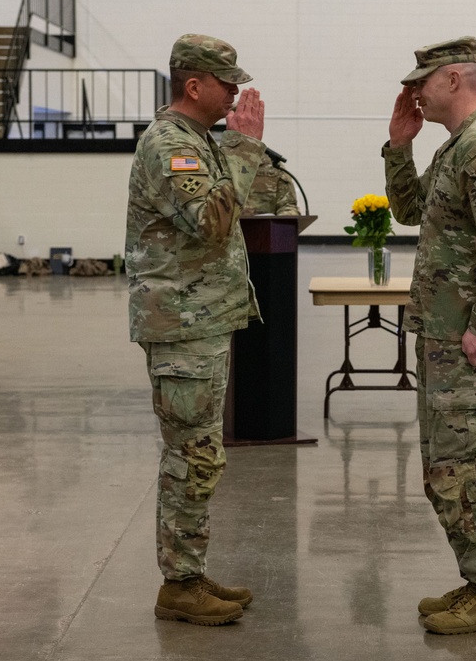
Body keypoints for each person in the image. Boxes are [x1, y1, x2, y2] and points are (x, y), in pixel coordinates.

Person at [383, 36, 476, 635]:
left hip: (470, 337)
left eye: (421, 80)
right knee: (448, 463)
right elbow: (409, 210)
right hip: (447, 332)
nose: (414, 91)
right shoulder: (457, 147)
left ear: (452, 79)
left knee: (463, 465)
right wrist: (399, 147)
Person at [125, 34, 266, 626]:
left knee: (199, 453)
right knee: (192, 455)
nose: (235, 91)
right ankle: (180, 585)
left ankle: (189, 573)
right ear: (194, 85)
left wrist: (236, 150)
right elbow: (210, 221)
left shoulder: (197, 141)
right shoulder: (169, 144)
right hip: (184, 326)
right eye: (226, 81)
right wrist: (245, 146)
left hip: (201, 320)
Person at [243, 152, 301, 216]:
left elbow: (287, 206)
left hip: (263, 224)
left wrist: (280, 223)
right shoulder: (230, 162)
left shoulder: (274, 166)